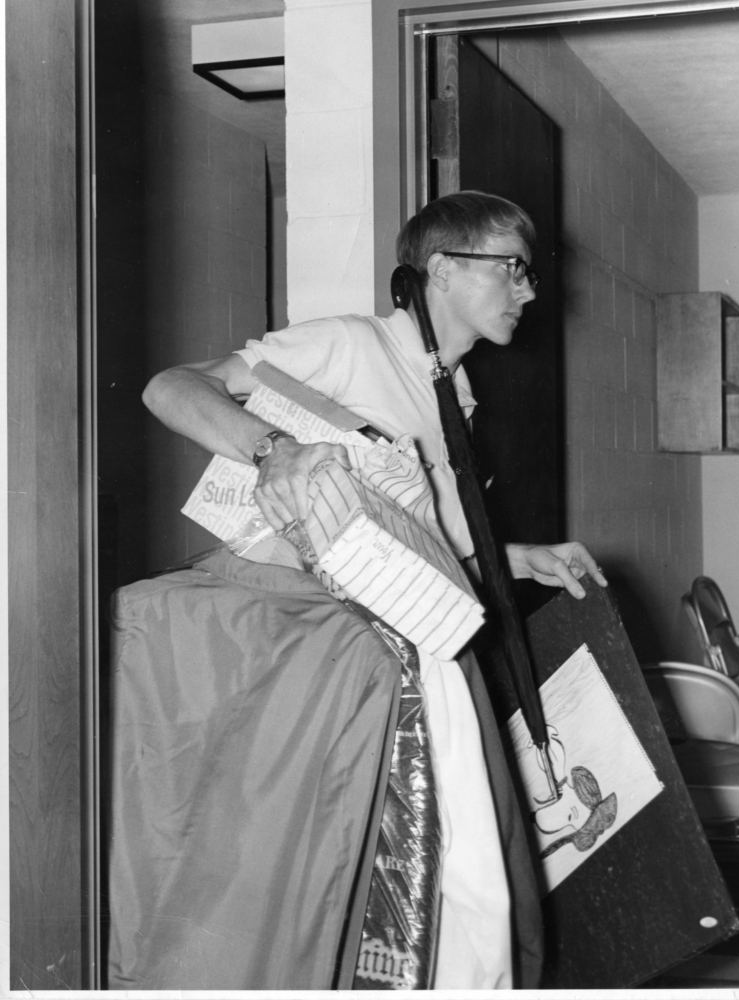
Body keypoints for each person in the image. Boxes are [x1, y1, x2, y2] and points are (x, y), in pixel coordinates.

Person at [143, 190, 607, 989]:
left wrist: (522, 559)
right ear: (442, 270)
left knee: (458, 870)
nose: (529, 291)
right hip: (316, 644)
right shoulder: (350, 345)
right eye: (513, 269)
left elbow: (433, 546)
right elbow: (169, 387)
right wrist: (270, 451)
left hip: (405, 639)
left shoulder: (453, 394)